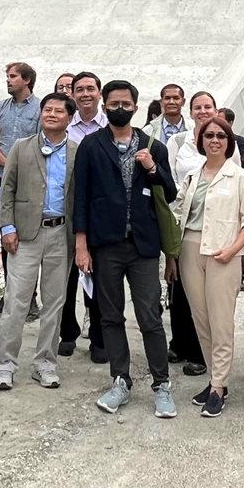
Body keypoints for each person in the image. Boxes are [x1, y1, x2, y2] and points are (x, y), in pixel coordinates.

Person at [73, 80, 180, 418]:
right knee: (110, 315)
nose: (120, 107)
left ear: (135, 106)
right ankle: (120, 379)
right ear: (104, 106)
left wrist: (151, 167)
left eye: (126, 102)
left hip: (144, 246)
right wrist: (81, 245)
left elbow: (171, 191)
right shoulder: (90, 146)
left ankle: (161, 384)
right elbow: (81, 200)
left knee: (150, 315)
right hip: (105, 245)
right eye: (113, 102)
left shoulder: (154, 146)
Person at [172, 115, 244, 418]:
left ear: (229, 141)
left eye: (221, 136)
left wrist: (233, 250)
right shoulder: (194, 175)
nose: (214, 140)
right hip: (191, 250)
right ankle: (215, 379)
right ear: (201, 141)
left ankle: (219, 386)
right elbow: (179, 212)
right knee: (202, 320)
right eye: (208, 135)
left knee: (221, 322)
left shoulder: (240, 177)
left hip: (224, 253)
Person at [0, 93, 77, 391]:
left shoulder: (77, 152)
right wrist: (7, 228)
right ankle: (4, 364)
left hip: (60, 234)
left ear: (69, 118)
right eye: (47, 109)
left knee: (55, 303)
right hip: (25, 234)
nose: (52, 114)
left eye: (59, 111)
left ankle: (45, 363)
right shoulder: (21, 147)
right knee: (16, 300)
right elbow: (8, 187)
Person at [164, 91, 220, 377]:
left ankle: (201, 352)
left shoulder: (224, 140)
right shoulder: (177, 141)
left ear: (216, 109)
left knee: (206, 290)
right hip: (182, 218)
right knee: (179, 285)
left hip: (213, 222)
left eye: (207, 106)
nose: (202, 111)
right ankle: (180, 342)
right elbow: (171, 178)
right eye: (198, 107)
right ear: (191, 110)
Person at [59, 71, 107, 360]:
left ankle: (99, 337)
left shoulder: (111, 126)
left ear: (99, 93)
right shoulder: (65, 126)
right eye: (80, 89)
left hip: (100, 211)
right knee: (66, 277)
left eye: (91, 89)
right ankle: (67, 333)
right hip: (67, 208)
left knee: (100, 276)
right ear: (72, 94)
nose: (85, 94)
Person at [0, 62, 42, 206]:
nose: (8, 80)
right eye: (7, 76)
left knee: (25, 222)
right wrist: (8, 165)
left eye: (13, 76)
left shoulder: (41, 108)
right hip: (0, 175)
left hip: (28, 177)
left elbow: (41, 143)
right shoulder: (0, 107)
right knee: (2, 222)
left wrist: (20, 168)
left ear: (27, 80)